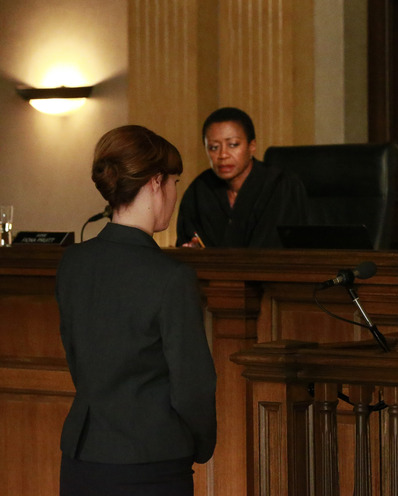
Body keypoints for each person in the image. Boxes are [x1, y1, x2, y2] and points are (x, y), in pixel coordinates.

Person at [56, 125, 217, 496]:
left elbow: (77, 358)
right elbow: (193, 385)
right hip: (151, 462)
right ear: (156, 182)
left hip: (82, 457)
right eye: (175, 182)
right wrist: (199, 444)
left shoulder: (73, 262)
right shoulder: (171, 277)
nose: (175, 194)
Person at [176, 106, 309, 247]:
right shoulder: (199, 190)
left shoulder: (281, 185)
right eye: (214, 147)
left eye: (233, 145)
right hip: (210, 269)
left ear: (252, 146)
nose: (223, 155)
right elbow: (185, 242)